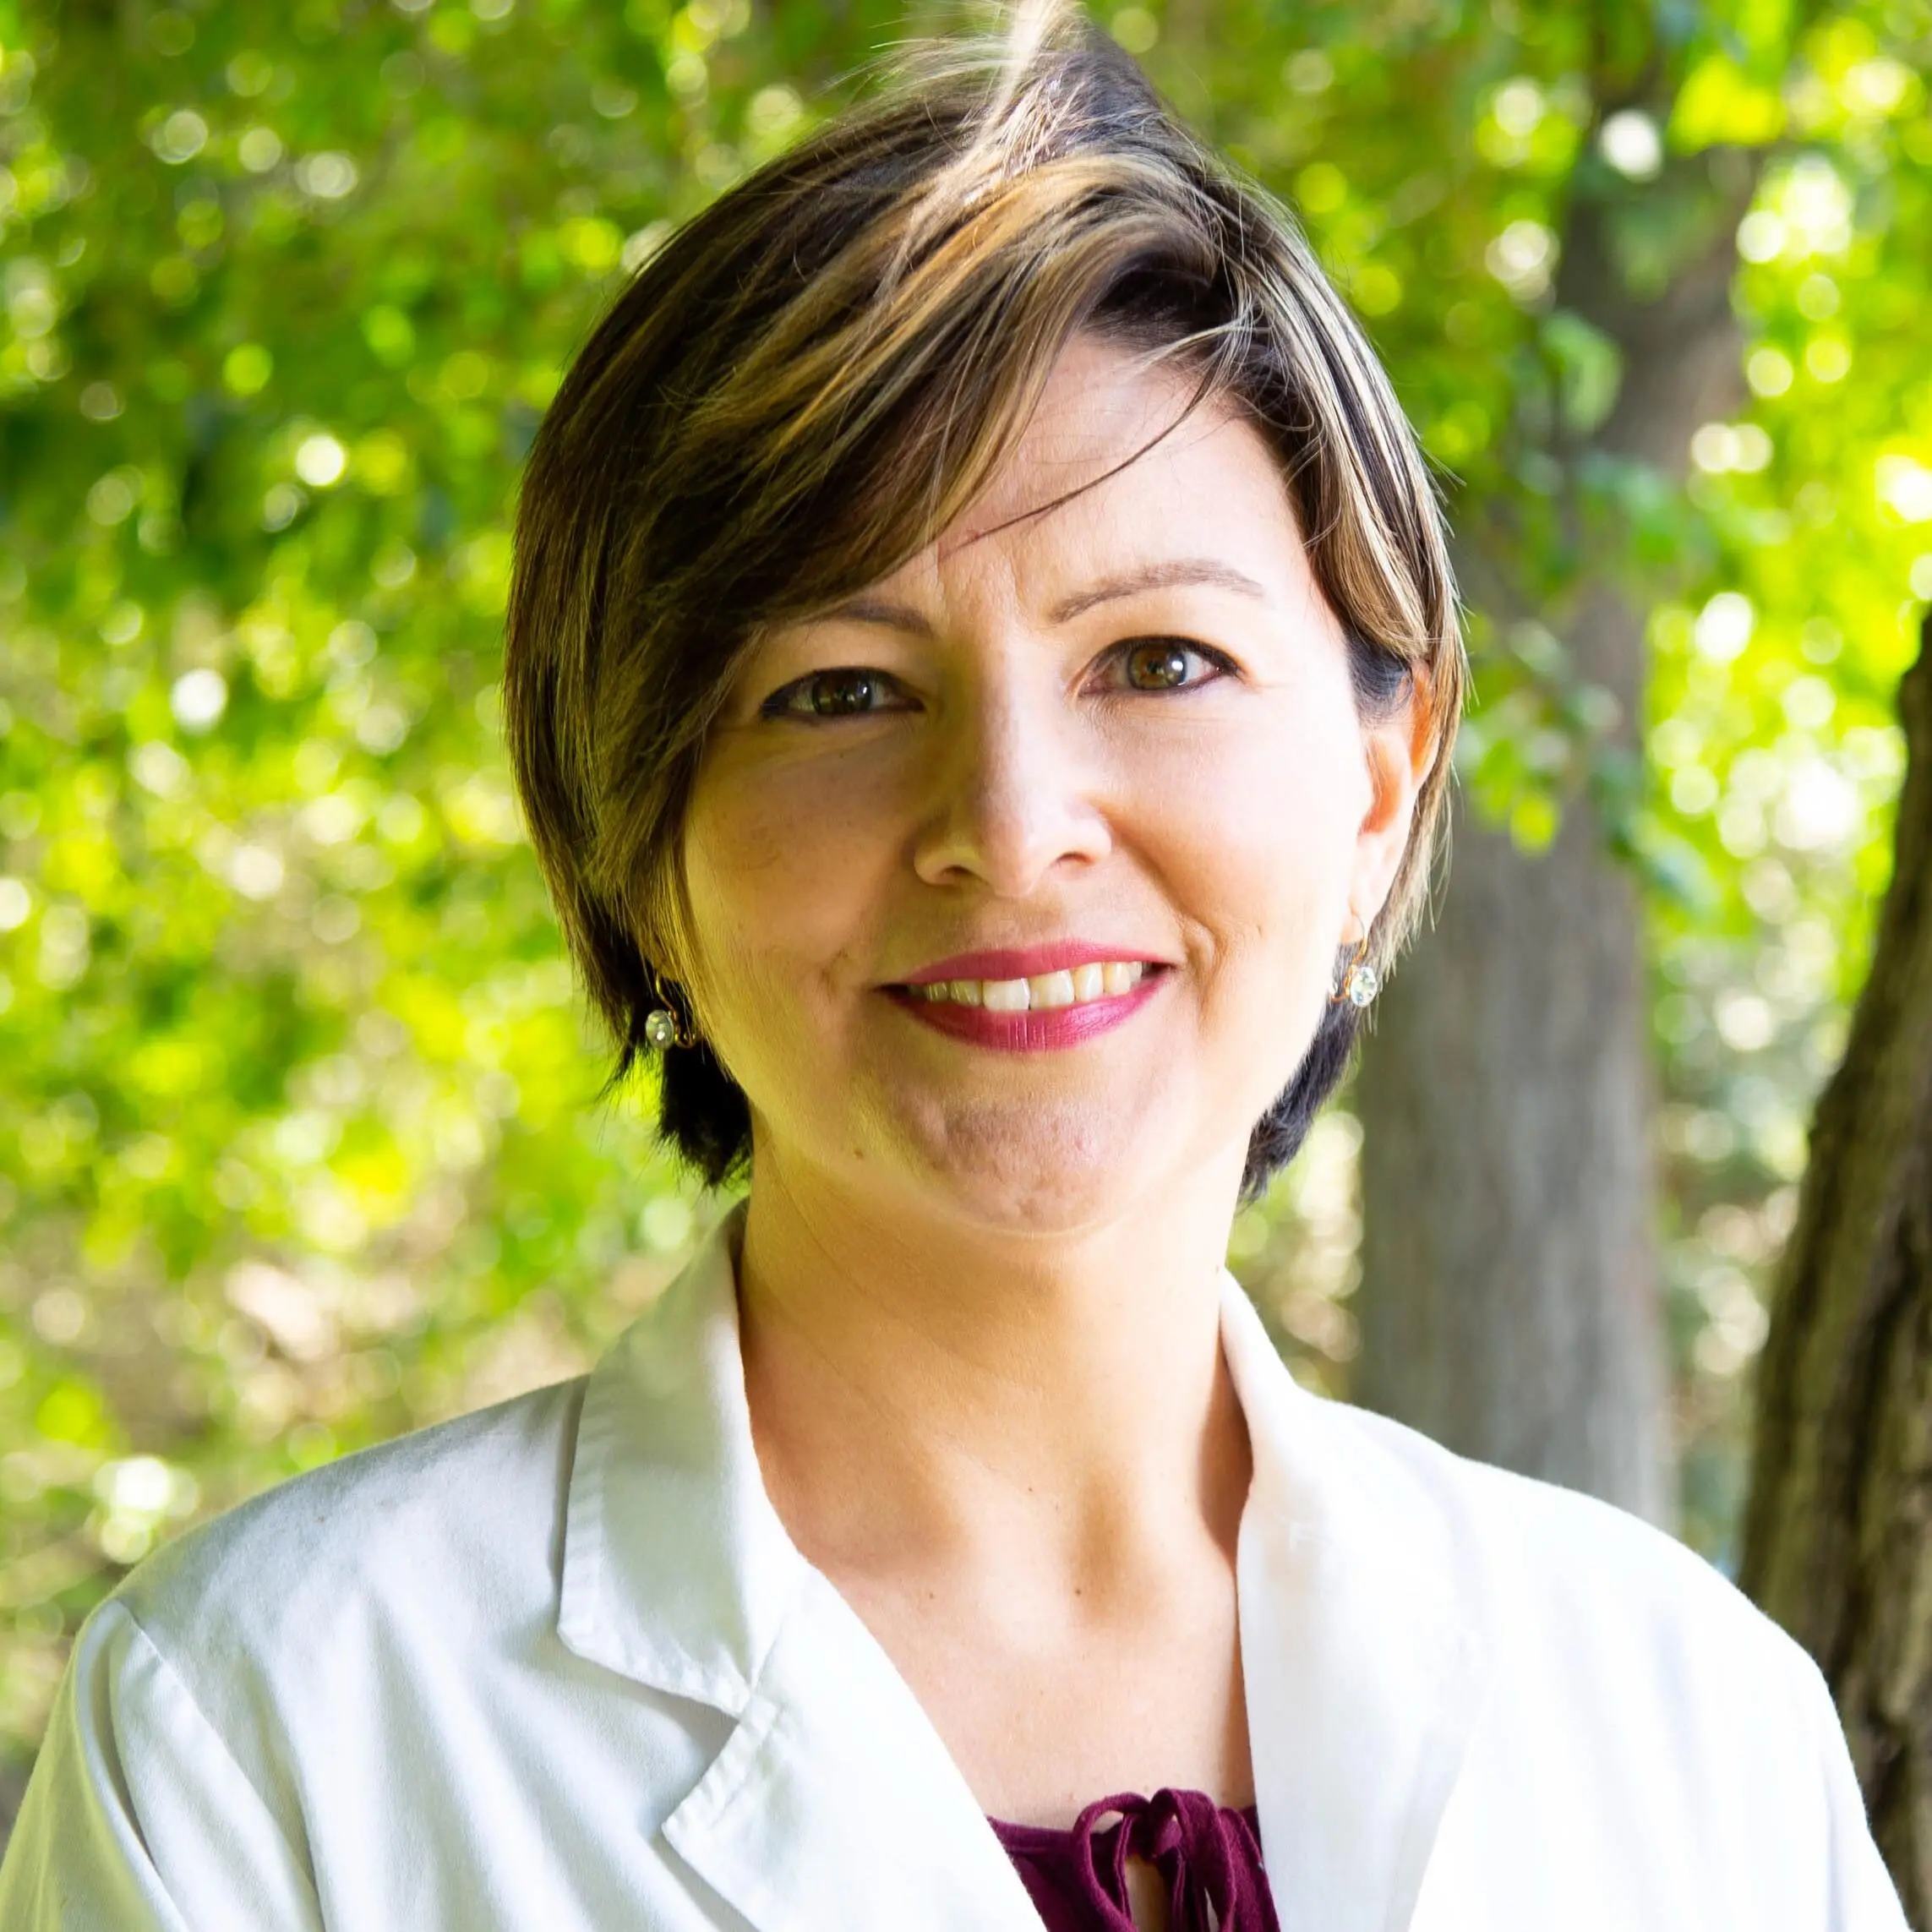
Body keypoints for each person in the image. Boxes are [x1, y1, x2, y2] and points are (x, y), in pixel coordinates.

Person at [0, 8, 1908, 1930]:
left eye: (1159, 662)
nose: (1009, 821)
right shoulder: (266, 1743)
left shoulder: (1691, 1725)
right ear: (633, 855)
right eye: (838, 691)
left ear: (1381, 789)